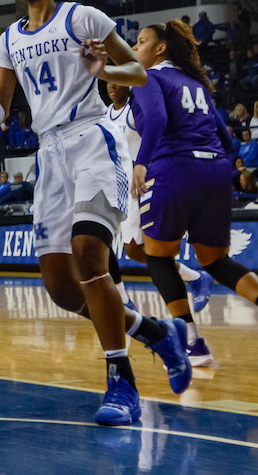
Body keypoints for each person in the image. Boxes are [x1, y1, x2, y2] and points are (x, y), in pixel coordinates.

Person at [0, 0, 191, 427]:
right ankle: (155, 332)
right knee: (63, 290)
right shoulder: (9, 38)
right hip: (49, 153)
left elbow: (138, 72)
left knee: (89, 255)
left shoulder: (81, 17)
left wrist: (102, 71)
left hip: (92, 140)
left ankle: (121, 381)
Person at [130, 20, 258, 369]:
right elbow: (226, 138)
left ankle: (192, 343)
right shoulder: (196, 84)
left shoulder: (148, 77)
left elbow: (157, 119)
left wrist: (142, 164)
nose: (135, 47)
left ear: (160, 48)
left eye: (141, 41)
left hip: (174, 169)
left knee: (158, 256)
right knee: (215, 261)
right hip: (215, 170)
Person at [107, 80, 216, 366]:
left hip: (145, 180)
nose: (111, 86)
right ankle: (195, 279)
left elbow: (156, 134)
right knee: (133, 250)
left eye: (117, 81)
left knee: (153, 253)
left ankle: (190, 337)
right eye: (108, 81)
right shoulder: (106, 113)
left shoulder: (137, 110)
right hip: (121, 185)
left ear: (128, 86)